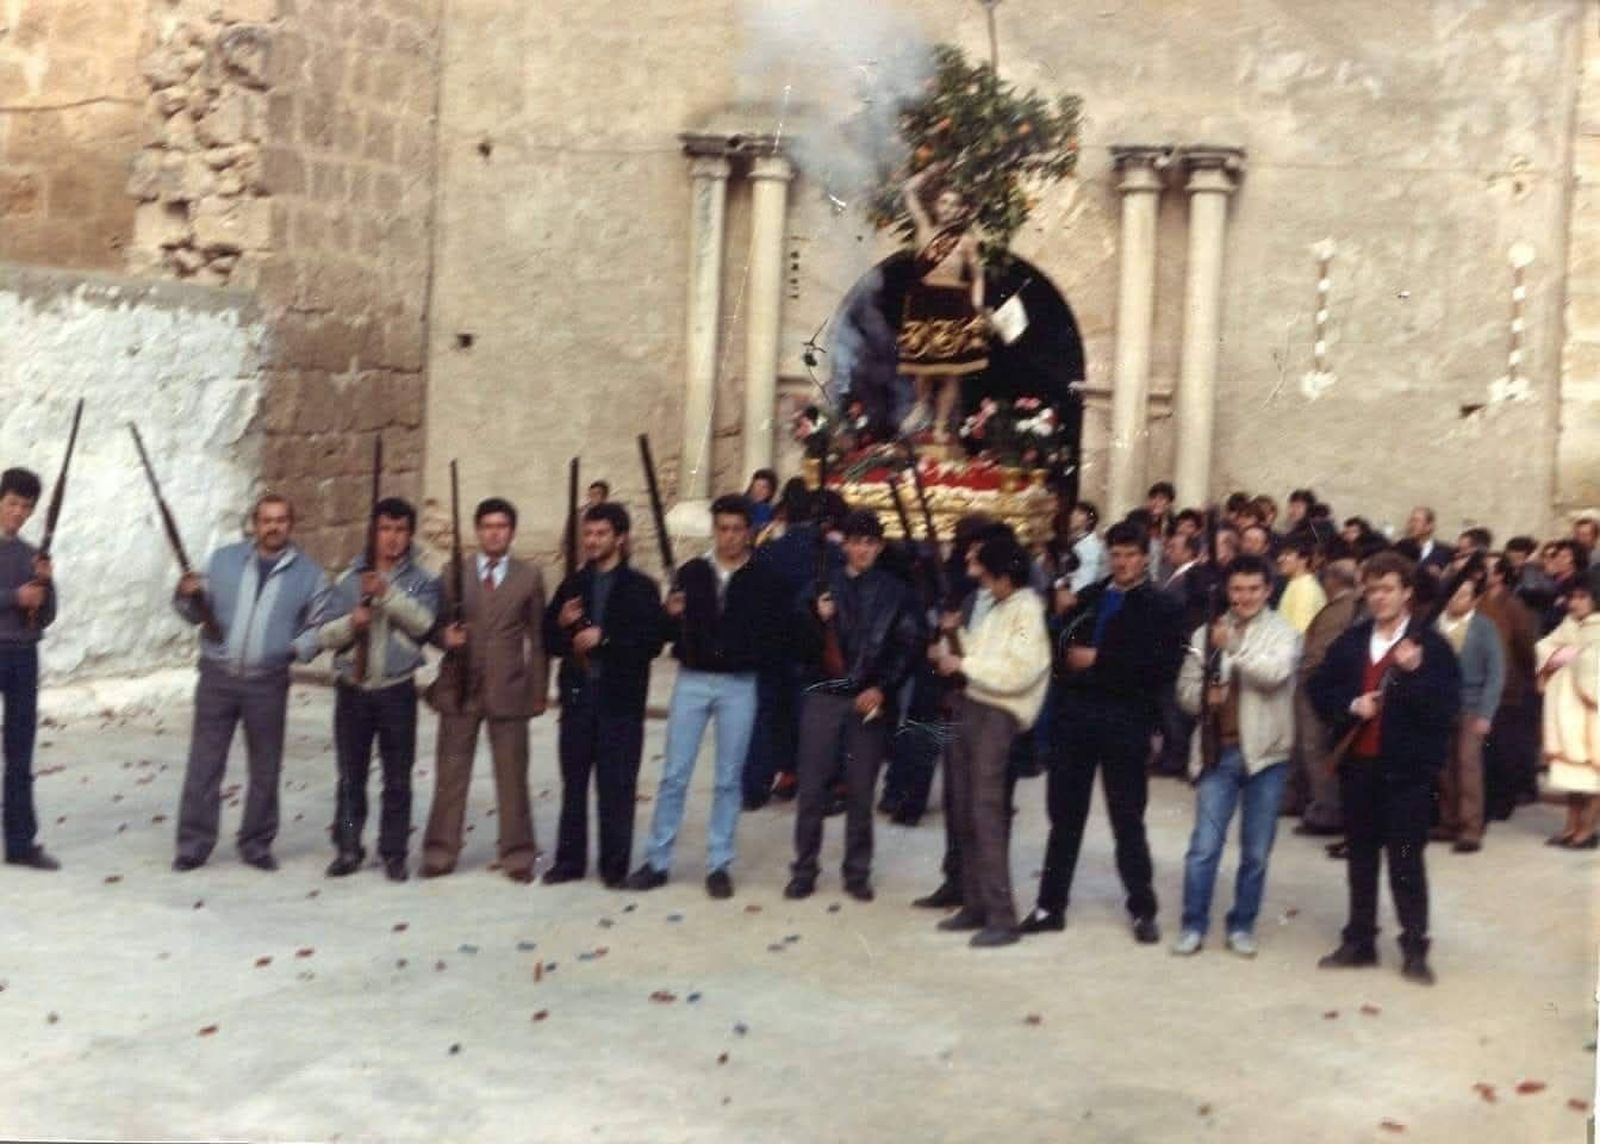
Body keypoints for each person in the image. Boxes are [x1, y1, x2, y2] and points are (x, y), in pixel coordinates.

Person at [1021, 521, 1185, 943]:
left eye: (1131, 555)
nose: (1124, 562)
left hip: (1126, 722)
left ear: (1145, 557)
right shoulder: (1090, 597)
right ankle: (1049, 906)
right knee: (1065, 818)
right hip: (1076, 720)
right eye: (1117, 554)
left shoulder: (1161, 606)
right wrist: (1058, 620)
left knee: (1127, 819)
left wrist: (1100, 660)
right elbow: (1057, 651)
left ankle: (1142, 909)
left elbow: (1161, 667)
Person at [1309, 552, 1460, 985]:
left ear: (1407, 593)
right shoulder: (1354, 641)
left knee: (1407, 862)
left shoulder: (1430, 646)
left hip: (1406, 774)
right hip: (1359, 767)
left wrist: (1414, 674)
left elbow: (1445, 707)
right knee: (1360, 858)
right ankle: (1360, 941)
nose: (1379, 598)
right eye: (1372, 589)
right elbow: (1319, 686)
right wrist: (1351, 705)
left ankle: (1414, 948)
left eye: (1388, 589)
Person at [628, 494, 786, 899]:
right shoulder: (692, 572)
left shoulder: (765, 578)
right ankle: (658, 860)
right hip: (693, 680)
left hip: (738, 683)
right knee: (675, 774)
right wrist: (671, 614)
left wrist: (747, 651)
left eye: (737, 529)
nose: (729, 537)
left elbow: (776, 634)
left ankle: (719, 863)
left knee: (729, 778)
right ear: (714, 530)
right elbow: (665, 632)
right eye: (722, 528)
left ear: (749, 531)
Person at [172, 493, 327, 873]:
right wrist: (185, 594)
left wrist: (293, 649)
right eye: (266, 520)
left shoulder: (308, 573)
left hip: (267, 682)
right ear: (254, 524)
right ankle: (194, 843)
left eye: (281, 520)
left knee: (265, 767)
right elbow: (193, 612)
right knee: (204, 764)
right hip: (217, 677)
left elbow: (323, 623)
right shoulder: (223, 560)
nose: (273, 526)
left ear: (291, 524)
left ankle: (256, 843)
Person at [785, 511, 921, 901]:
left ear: (878, 547)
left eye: (869, 543)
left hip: (867, 699)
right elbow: (796, 642)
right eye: (855, 542)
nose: (861, 550)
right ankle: (804, 869)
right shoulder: (820, 588)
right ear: (844, 546)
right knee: (811, 789)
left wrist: (882, 688)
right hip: (824, 697)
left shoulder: (896, 592)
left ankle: (857, 872)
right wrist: (815, 617)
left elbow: (907, 645)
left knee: (861, 791)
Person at [1172, 555, 1301, 957]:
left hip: (1266, 755)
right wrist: (1205, 699)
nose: (1244, 597)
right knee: (1204, 846)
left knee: (1257, 851)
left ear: (1267, 591)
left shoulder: (1284, 632)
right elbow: (1185, 691)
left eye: (1252, 589)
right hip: (1219, 753)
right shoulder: (1204, 633)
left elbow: (1275, 674)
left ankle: (1241, 924)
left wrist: (1235, 649)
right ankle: (1193, 924)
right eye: (1236, 590)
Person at [929, 534, 1051, 947]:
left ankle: (1002, 915)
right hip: (970, 708)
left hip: (998, 717)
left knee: (985, 813)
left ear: (1003, 573)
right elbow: (978, 656)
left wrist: (962, 661)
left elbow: (1018, 670)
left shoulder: (1027, 611)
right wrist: (954, 637)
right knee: (963, 808)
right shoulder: (998, 606)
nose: (977, 577)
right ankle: (975, 902)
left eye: (984, 570)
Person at [313, 497, 440, 881]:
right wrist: (353, 622)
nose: (393, 539)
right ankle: (348, 847)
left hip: (396, 689)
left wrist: (387, 594)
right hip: (353, 688)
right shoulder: (347, 580)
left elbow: (424, 625)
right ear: (374, 532)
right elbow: (325, 634)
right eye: (385, 529)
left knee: (397, 778)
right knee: (351, 776)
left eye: (401, 531)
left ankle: (394, 851)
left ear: (410, 535)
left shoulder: (422, 581)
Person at [421, 497, 547, 883]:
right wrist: (446, 636)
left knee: (512, 778)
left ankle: (518, 855)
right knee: (450, 775)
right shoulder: (452, 573)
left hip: (508, 689)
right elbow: (433, 625)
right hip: (460, 687)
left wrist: (537, 691)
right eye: (487, 526)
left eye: (502, 526)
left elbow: (538, 641)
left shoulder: (529, 576)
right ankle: (440, 852)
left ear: (511, 532)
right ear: (477, 531)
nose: (494, 533)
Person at [542, 502, 664, 886]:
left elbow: (651, 642)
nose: (593, 541)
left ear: (620, 538)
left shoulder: (641, 587)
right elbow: (549, 639)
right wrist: (562, 624)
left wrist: (605, 639)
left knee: (617, 786)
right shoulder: (572, 584)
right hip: (579, 700)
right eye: (588, 534)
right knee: (574, 785)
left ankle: (614, 867)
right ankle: (569, 863)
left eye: (601, 534)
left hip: (621, 701)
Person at [896, 165, 989, 440]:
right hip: (925, 304)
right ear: (935, 206)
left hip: (955, 306)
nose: (948, 208)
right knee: (923, 371)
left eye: (954, 204)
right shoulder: (924, 230)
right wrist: (930, 172)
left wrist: (977, 304)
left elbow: (978, 276)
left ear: (961, 210)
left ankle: (938, 427)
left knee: (950, 374)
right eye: (944, 202)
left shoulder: (967, 241)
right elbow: (908, 190)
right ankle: (922, 406)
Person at [0, 468, 59, 871]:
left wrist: (45, 585)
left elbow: (46, 616)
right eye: (12, 503)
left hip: (22, 656)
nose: (18, 513)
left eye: (26, 506)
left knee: (20, 753)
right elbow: (15, 599)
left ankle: (21, 843)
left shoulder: (29, 553)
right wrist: (14, 596)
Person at [1431, 561, 1505, 854]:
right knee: (1443, 766)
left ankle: (1470, 827)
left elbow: (1496, 672)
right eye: (1453, 593)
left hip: (1472, 706)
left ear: (1474, 599)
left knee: (1468, 765)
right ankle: (1448, 821)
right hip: (1439, 706)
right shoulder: (1436, 624)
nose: (1456, 599)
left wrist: (1487, 713)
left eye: (1463, 595)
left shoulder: (1484, 627)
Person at [1286, 558, 1362, 834]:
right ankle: (1309, 801)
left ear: (1332, 580)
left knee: (1313, 746)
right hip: (1325, 684)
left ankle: (1326, 810)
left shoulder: (1339, 609)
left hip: (1315, 684)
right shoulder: (1347, 606)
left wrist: (1306, 674)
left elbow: (1320, 650)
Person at [1535, 569, 1600, 847]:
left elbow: (1591, 665)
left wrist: (1572, 657)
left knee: (1594, 775)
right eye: (1572, 597)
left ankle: (1588, 829)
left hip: (1593, 712)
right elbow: (1544, 646)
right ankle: (1571, 826)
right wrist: (1564, 655)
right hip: (1567, 711)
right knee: (1573, 776)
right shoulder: (1569, 624)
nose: (1575, 603)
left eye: (1582, 597)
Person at [1479, 556, 1541, 818]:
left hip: (1507, 686)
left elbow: (1526, 645)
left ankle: (1502, 801)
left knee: (1503, 747)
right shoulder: (1477, 602)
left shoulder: (1513, 606)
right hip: (1479, 684)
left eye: (1489, 569)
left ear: (1501, 575)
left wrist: (1523, 676)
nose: (1483, 573)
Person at [1275, 534, 1326, 635]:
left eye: (1287, 555)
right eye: (1281, 555)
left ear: (1304, 559)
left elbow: (1298, 634)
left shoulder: (1305, 589)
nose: (1280, 559)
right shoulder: (1297, 583)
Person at [1405, 505, 1451, 576]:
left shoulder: (1444, 551)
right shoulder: (1402, 548)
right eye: (1411, 521)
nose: (1412, 525)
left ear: (1429, 526)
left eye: (1416, 521)